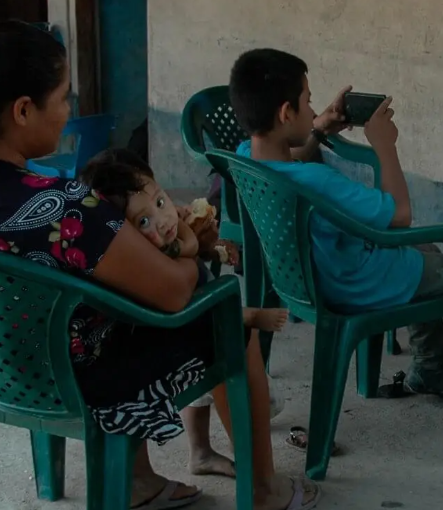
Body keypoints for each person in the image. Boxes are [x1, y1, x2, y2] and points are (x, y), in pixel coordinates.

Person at [0, 2, 318, 510]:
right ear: (23, 110)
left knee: (107, 298)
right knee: (221, 311)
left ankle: (139, 482)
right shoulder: (66, 209)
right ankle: (264, 493)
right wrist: (187, 249)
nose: (69, 108)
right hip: (80, 376)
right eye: (62, 98)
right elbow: (171, 293)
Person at [229, 48, 443, 446]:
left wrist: (320, 129)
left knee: (428, 250)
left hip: (314, 278)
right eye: (308, 101)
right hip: (358, 281)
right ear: (284, 113)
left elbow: (289, 156)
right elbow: (399, 216)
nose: (314, 108)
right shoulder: (315, 180)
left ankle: (428, 366)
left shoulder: (247, 156)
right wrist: (385, 145)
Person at [80, 148, 289, 478]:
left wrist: (210, 245)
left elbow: (196, 252)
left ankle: (201, 453)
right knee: (222, 341)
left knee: (205, 386)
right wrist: (192, 241)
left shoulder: (160, 234)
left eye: (160, 202)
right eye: (143, 221)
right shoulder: (142, 256)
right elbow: (186, 258)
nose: (163, 222)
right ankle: (258, 479)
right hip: (173, 330)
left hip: (184, 324)